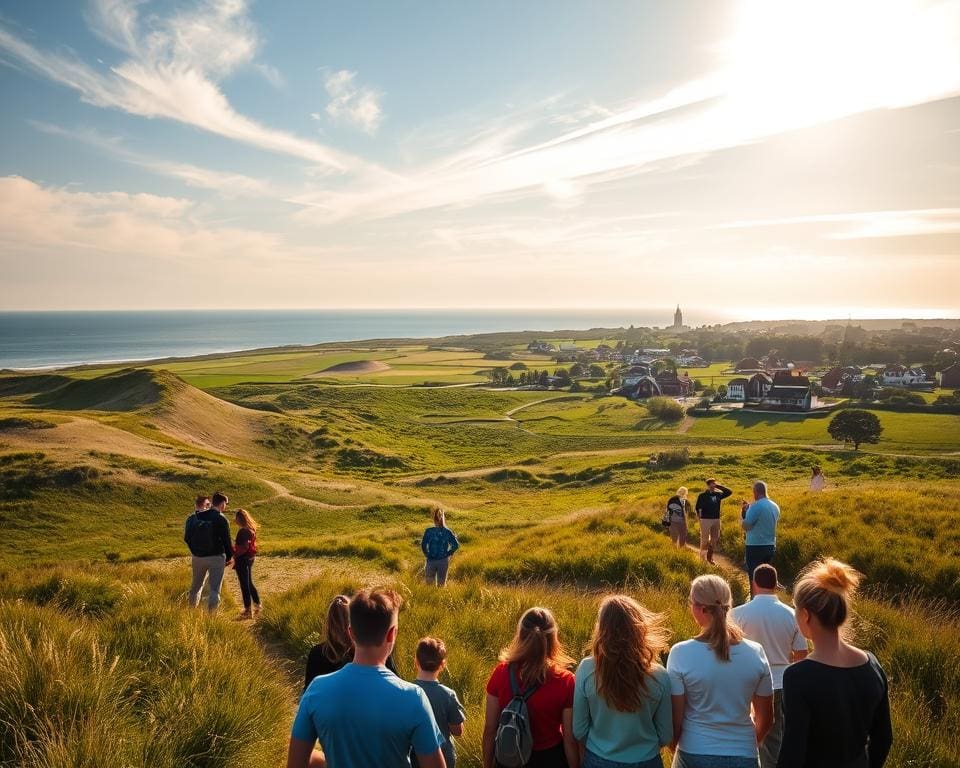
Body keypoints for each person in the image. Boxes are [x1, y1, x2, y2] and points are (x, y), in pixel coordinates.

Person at [288, 589, 445, 768]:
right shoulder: (414, 697)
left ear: (351, 633)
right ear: (392, 634)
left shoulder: (316, 690)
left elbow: (295, 763)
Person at [777, 559, 892, 768]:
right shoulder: (872, 664)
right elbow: (884, 739)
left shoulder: (797, 676)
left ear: (805, 615)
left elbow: (792, 753)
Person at [667, 575, 774, 768]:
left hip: (694, 751)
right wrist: (746, 745)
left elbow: (676, 720)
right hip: (743, 753)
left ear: (701, 608)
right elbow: (766, 719)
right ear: (728, 606)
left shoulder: (680, 653)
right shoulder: (756, 652)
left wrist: (675, 746)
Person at [573, 595, 672, 768]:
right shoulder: (659, 675)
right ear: (638, 628)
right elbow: (665, 735)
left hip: (598, 759)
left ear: (602, 628)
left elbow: (579, 729)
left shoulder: (587, 668)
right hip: (647, 760)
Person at [730, 565, 809, 768]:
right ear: (775, 584)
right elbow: (801, 655)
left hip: (746, 683)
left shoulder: (736, 614)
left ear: (754, 584)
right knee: (775, 739)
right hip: (781, 682)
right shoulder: (792, 615)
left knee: (744, 733)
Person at [483, 607, 579, 768]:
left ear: (520, 635)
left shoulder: (500, 673)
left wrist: (487, 764)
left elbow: (490, 729)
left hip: (509, 756)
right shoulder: (566, 681)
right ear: (553, 638)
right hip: (550, 758)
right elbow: (569, 739)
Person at [304, 594, 397, 690]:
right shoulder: (370, 651)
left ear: (329, 624)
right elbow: (395, 685)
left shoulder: (317, 654)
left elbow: (308, 692)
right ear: (354, 625)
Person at [412, 637, 467, 768]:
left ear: (416, 662)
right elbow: (458, 731)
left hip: (415, 757)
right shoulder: (448, 695)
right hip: (443, 757)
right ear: (442, 664)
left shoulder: (407, 692)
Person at [185, 491, 233, 612]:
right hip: (216, 557)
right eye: (225, 504)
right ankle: (211, 618)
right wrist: (229, 557)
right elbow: (226, 541)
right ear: (222, 504)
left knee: (195, 587)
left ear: (212, 503)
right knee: (214, 589)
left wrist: (195, 551)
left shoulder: (196, 516)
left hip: (197, 557)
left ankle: (191, 613)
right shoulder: (221, 519)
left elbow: (187, 537)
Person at [740, 482, 780, 595]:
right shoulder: (774, 506)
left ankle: (754, 599)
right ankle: (768, 597)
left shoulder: (755, 506)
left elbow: (747, 526)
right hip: (770, 545)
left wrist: (743, 517)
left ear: (755, 492)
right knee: (766, 576)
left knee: (754, 575)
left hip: (755, 546)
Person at [233, 508, 262, 619]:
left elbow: (244, 547)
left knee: (244, 585)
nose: (235, 520)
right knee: (249, 583)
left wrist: (234, 553)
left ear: (240, 519)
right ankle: (257, 605)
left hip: (243, 559)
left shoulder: (243, 531)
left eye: (236, 518)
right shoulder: (251, 529)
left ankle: (248, 610)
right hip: (250, 558)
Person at [695, 479, 732, 564]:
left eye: (714, 483)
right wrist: (700, 519)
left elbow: (729, 492)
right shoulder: (702, 496)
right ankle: (702, 558)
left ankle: (710, 557)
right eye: (712, 483)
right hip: (705, 520)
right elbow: (698, 508)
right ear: (708, 485)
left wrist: (719, 486)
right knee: (704, 539)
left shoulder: (718, 494)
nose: (714, 485)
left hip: (716, 519)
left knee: (715, 539)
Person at [421, 507, 460, 587]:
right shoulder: (447, 531)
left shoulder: (429, 531)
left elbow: (423, 544)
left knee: (429, 585)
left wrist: (427, 554)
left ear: (434, 520)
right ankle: (439, 599)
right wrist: (448, 553)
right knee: (441, 585)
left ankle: (430, 599)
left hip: (431, 560)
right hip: (443, 560)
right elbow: (455, 545)